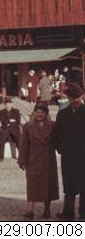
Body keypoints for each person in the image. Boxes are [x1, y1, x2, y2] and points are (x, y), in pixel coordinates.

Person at [19, 103, 58, 219]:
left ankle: (47, 209)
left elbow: (59, 141)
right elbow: (24, 144)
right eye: (38, 112)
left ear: (46, 114)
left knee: (48, 186)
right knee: (32, 185)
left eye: (42, 112)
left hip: (48, 160)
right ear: (34, 113)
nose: (40, 114)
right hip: (33, 160)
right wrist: (22, 160)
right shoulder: (28, 126)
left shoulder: (53, 126)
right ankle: (30, 209)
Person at [51, 84, 85, 220]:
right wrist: (61, 149)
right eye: (72, 97)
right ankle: (68, 213)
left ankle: (83, 213)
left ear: (82, 96)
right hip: (69, 156)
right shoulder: (62, 114)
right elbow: (56, 134)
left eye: (77, 97)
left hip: (84, 155)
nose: (75, 100)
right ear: (69, 98)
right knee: (69, 185)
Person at [0, 98, 22, 162]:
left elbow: (18, 121)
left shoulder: (16, 111)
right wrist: (12, 121)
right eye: (6, 104)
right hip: (5, 129)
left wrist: (9, 123)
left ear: (11, 104)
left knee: (19, 141)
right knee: (1, 141)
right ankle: (1, 157)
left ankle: (21, 157)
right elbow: (2, 121)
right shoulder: (1, 112)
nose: (8, 105)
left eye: (9, 103)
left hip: (15, 129)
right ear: (4, 104)